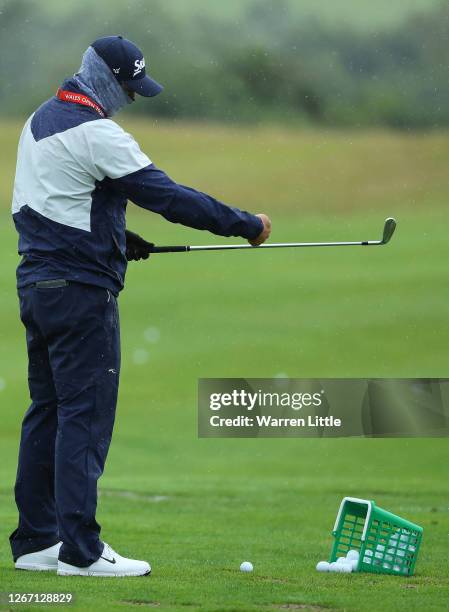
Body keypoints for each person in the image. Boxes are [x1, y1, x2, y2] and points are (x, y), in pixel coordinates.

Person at [10, 35, 271, 577]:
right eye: (127, 88)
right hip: (81, 296)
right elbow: (167, 196)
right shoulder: (99, 132)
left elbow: (48, 205)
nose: (129, 99)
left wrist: (116, 239)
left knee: (48, 414)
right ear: (105, 79)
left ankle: (38, 541)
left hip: (38, 287)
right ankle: (80, 553)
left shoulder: (40, 121)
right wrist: (243, 224)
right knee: (85, 417)